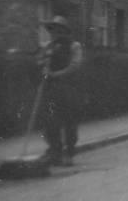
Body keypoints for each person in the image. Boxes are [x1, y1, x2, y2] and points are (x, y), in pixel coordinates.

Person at [38, 16, 83, 166]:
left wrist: (56, 74)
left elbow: (75, 66)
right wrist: (42, 64)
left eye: (58, 29)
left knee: (70, 122)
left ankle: (69, 153)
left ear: (64, 31)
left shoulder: (74, 46)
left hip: (68, 88)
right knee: (50, 121)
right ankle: (55, 151)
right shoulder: (48, 46)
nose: (54, 32)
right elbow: (39, 61)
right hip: (51, 89)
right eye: (52, 29)